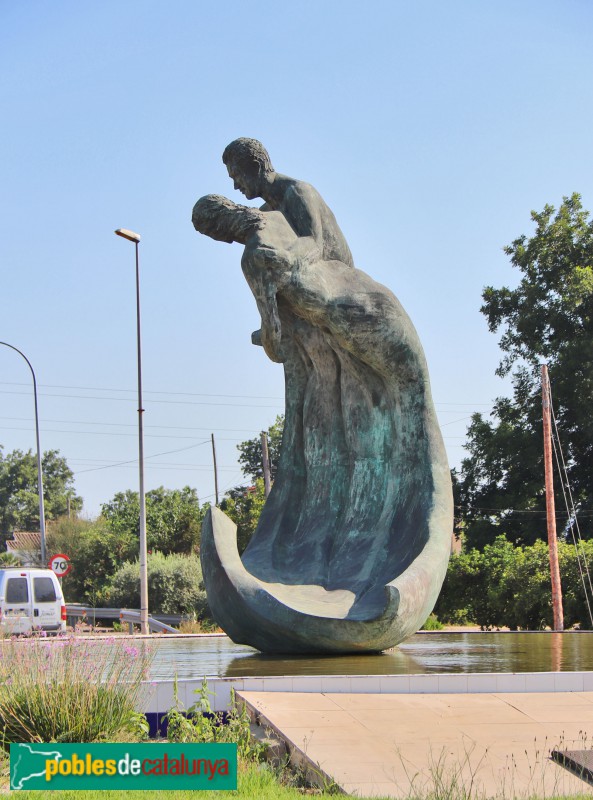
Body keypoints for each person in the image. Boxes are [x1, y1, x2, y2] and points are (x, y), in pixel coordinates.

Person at [222, 137, 355, 269]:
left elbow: (314, 244)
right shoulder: (266, 211)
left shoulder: (299, 192)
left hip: (339, 276)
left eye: (237, 175)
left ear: (256, 167)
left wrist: (282, 256)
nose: (235, 186)